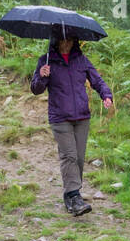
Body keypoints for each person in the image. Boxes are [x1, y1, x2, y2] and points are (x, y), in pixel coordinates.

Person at [30, 29, 113, 216]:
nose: (66, 43)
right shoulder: (46, 61)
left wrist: (106, 95)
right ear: (56, 41)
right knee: (69, 156)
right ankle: (75, 196)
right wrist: (42, 76)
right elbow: (36, 89)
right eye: (62, 40)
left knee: (79, 158)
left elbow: (97, 80)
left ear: (75, 41)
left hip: (82, 117)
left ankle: (71, 196)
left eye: (70, 40)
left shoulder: (81, 60)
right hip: (60, 117)